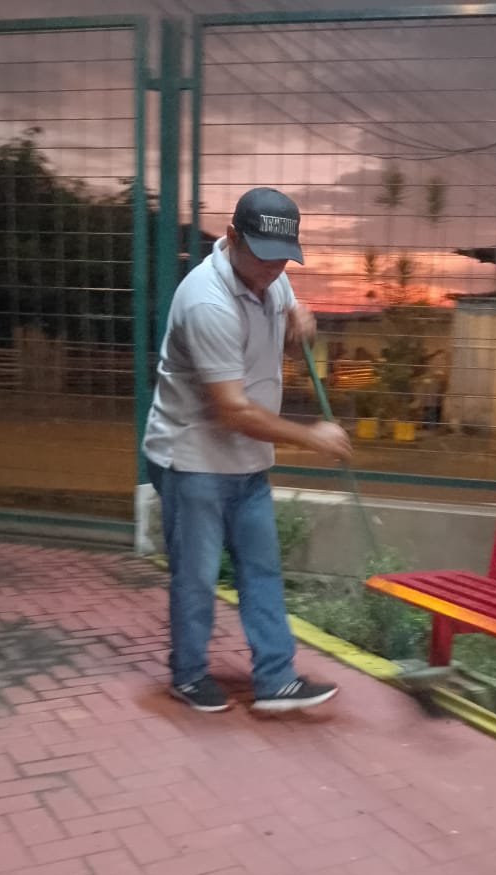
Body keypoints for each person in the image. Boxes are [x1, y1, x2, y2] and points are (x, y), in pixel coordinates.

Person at [142, 187, 352, 713]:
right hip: (193, 459)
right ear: (232, 237)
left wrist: (298, 327)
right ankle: (189, 675)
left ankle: (276, 679)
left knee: (262, 568)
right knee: (196, 576)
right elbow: (232, 411)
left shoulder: (272, 276)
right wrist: (312, 437)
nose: (272, 268)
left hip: (247, 461)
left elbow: (280, 329)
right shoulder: (205, 301)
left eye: (282, 257)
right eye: (262, 255)